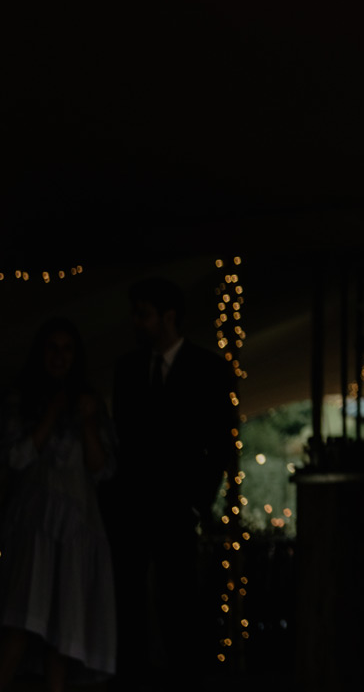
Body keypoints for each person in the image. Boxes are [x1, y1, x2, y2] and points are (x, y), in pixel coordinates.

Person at [107, 278, 236, 684]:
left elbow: (220, 444)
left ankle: (186, 679)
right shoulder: (127, 369)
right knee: (129, 601)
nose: (136, 322)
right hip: (131, 508)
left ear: (169, 316)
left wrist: (198, 502)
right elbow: (122, 440)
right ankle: (133, 677)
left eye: (143, 314)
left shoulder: (208, 369)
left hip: (178, 508)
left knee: (179, 602)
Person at [0, 317, 116, 691]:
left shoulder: (90, 402)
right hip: (34, 524)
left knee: (64, 627)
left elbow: (103, 470)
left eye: (67, 349)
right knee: (20, 617)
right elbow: (16, 457)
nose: (59, 357)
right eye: (53, 348)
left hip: (77, 524)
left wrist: (86, 420)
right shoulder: (21, 399)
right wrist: (50, 413)